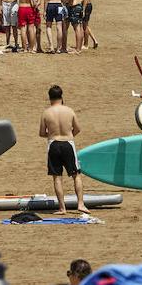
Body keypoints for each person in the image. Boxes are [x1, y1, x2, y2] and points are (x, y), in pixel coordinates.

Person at [39, 85, 89, 215]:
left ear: (50, 98)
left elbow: (41, 133)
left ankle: (62, 208)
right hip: (68, 143)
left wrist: (51, 135)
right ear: (62, 96)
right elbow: (77, 129)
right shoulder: (69, 111)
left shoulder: (46, 113)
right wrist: (69, 135)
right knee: (76, 175)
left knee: (57, 177)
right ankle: (81, 204)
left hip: (53, 144)